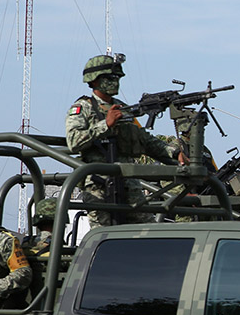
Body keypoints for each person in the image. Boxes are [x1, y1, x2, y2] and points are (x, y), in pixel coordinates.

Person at [65, 54, 178, 226]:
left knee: (148, 231)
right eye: (110, 78)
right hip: (99, 185)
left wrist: (175, 153)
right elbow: (73, 141)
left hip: (129, 184)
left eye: (117, 77)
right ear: (94, 80)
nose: (115, 81)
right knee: (103, 236)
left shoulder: (122, 108)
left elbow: (145, 140)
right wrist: (106, 125)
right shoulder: (83, 108)